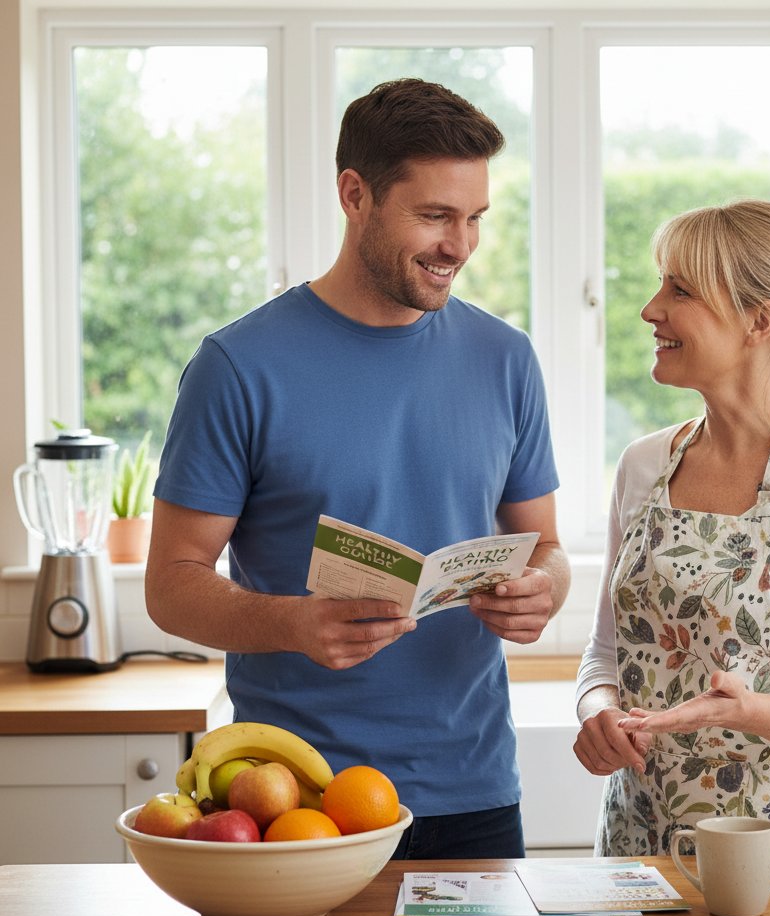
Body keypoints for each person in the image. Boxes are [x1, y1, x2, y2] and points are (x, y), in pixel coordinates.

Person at [146, 78, 570, 859]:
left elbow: (544, 547)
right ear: (355, 195)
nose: (461, 245)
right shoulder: (238, 366)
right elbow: (171, 584)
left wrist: (539, 593)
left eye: (475, 218)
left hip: (474, 793)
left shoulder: (506, 360)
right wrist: (292, 624)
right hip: (298, 802)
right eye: (435, 216)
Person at [572, 199, 770, 856]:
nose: (649, 309)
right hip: (642, 854)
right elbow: (605, 654)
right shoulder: (644, 465)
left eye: (680, 289)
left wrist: (750, 712)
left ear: (759, 321)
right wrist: (597, 713)